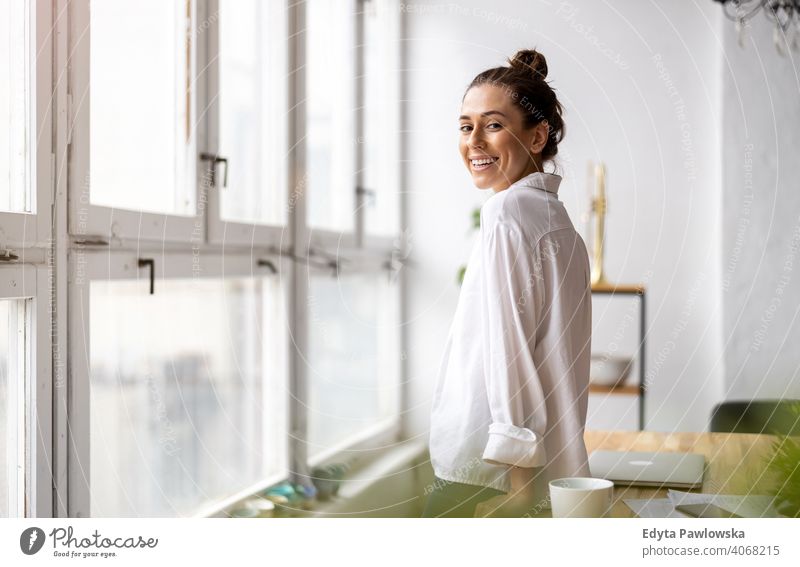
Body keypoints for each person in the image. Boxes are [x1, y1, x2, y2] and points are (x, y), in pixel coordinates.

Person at [423, 48, 593, 518]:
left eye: (493, 125)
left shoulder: (507, 213)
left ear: (537, 136)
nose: (474, 140)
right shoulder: (560, 226)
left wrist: (517, 489)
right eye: (465, 126)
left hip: (487, 477)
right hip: (545, 474)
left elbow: (510, 351)